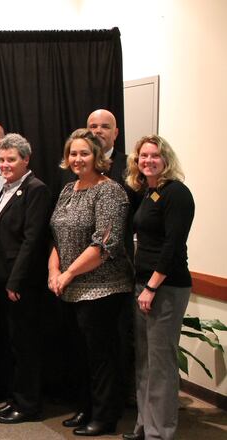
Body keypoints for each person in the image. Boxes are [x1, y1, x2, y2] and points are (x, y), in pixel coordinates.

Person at [48, 129, 133, 436]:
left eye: (84, 153)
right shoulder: (68, 189)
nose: (77, 158)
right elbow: (57, 236)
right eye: (73, 153)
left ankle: (104, 416)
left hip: (103, 288)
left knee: (101, 357)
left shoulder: (110, 191)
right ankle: (85, 408)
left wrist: (69, 273)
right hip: (70, 288)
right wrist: (54, 273)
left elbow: (105, 243)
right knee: (79, 355)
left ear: (97, 157)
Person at [122, 135, 195, 440]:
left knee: (161, 364)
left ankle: (160, 433)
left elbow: (172, 246)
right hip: (144, 284)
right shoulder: (149, 193)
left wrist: (151, 287)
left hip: (165, 287)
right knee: (145, 360)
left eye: (154, 155)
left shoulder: (177, 193)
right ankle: (144, 425)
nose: (148, 160)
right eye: (143, 156)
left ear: (165, 159)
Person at [0, 133, 51, 424]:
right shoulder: (7, 189)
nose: (5, 164)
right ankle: (15, 397)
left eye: (11, 159)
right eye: (1, 160)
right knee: (12, 343)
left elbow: (32, 240)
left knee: (26, 345)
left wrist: (16, 280)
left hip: (21, 283)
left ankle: (28, 405)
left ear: (26, 159)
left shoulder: (36, 189)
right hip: (1, 278)